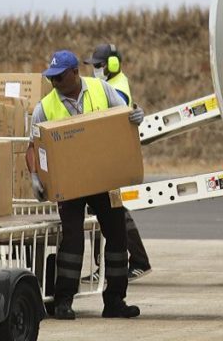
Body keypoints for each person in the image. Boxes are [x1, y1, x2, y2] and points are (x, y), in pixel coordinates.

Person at [26, 50, 145, 320]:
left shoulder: (101, 89)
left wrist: (137, 115)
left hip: (105, 178)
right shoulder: (44, 108)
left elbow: (126, 115)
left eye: (59, 77)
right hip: (69, 184)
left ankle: (115, 301)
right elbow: (33, 147)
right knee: (73, 240)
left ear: (75, 73)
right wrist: (36, 177)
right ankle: (64, 301)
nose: (54, 83)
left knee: (117, 236)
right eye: (51, 78)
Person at [83, 43, 152, 281]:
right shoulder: (109, 84)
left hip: (110, 158)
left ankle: (121, 264)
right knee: (114, 210)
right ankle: (132, 262)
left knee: (109, 212)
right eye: (93, 66)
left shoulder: (117, 87)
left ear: (112, 65)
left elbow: (114, 116)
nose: (95, 70)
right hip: (105, 156)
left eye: (99, 66)